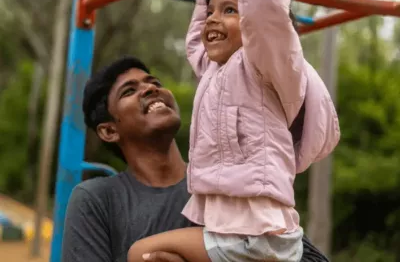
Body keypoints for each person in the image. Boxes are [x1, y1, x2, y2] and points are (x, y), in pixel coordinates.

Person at [127, 0, 340, 262]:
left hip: (259, 234)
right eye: (211, 11)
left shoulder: (265, 63)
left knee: (141, 253)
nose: (212, 20)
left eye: (229, 10)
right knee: (156, 257)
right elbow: (195, 45)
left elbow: (266, 11)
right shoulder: (214, 70)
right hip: (235, 232)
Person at [62, 55, 331, 262]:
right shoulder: (97, 199)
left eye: (154, 83)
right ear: (109, 131)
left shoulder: (231, 180)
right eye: (129, 91)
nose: (150, 89)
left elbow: (303, 255)